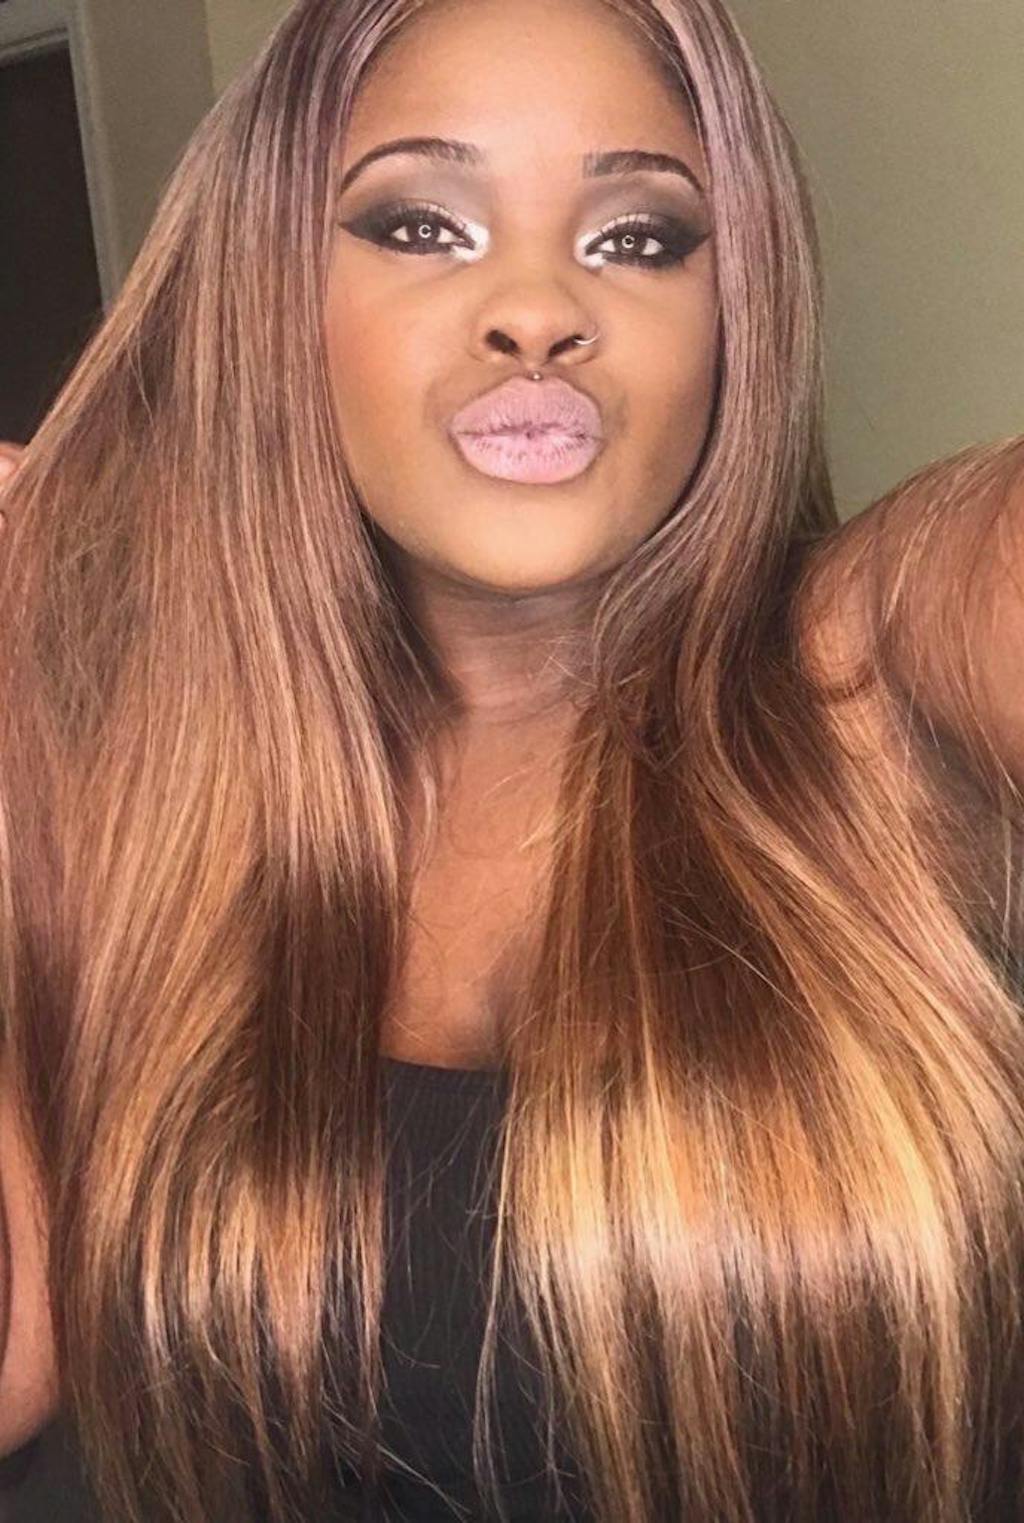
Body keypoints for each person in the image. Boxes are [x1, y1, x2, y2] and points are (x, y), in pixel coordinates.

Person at [0, 0, 1022, 1519]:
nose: (537, 307)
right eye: (421, 225)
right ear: (269, 301)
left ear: (735, 316)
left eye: (639, 239)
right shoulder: (154, 806)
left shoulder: (880, 686)